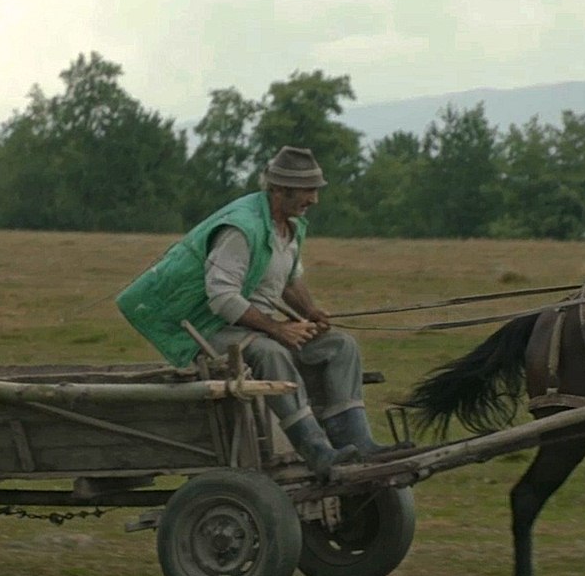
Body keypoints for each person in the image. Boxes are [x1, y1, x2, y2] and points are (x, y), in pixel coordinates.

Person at [117, 146, 387, 477]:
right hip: (209, 330)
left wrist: (311, 311)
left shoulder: (290, 226)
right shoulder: (241, 230)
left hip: (254, 327)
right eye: (308, 191)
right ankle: (316, 451)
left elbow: (289, 280)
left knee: (341, 346)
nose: (315, 199)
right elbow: (222, 298)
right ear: (280, 190)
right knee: (271, 352)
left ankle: (359, 444)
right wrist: (278, 329)